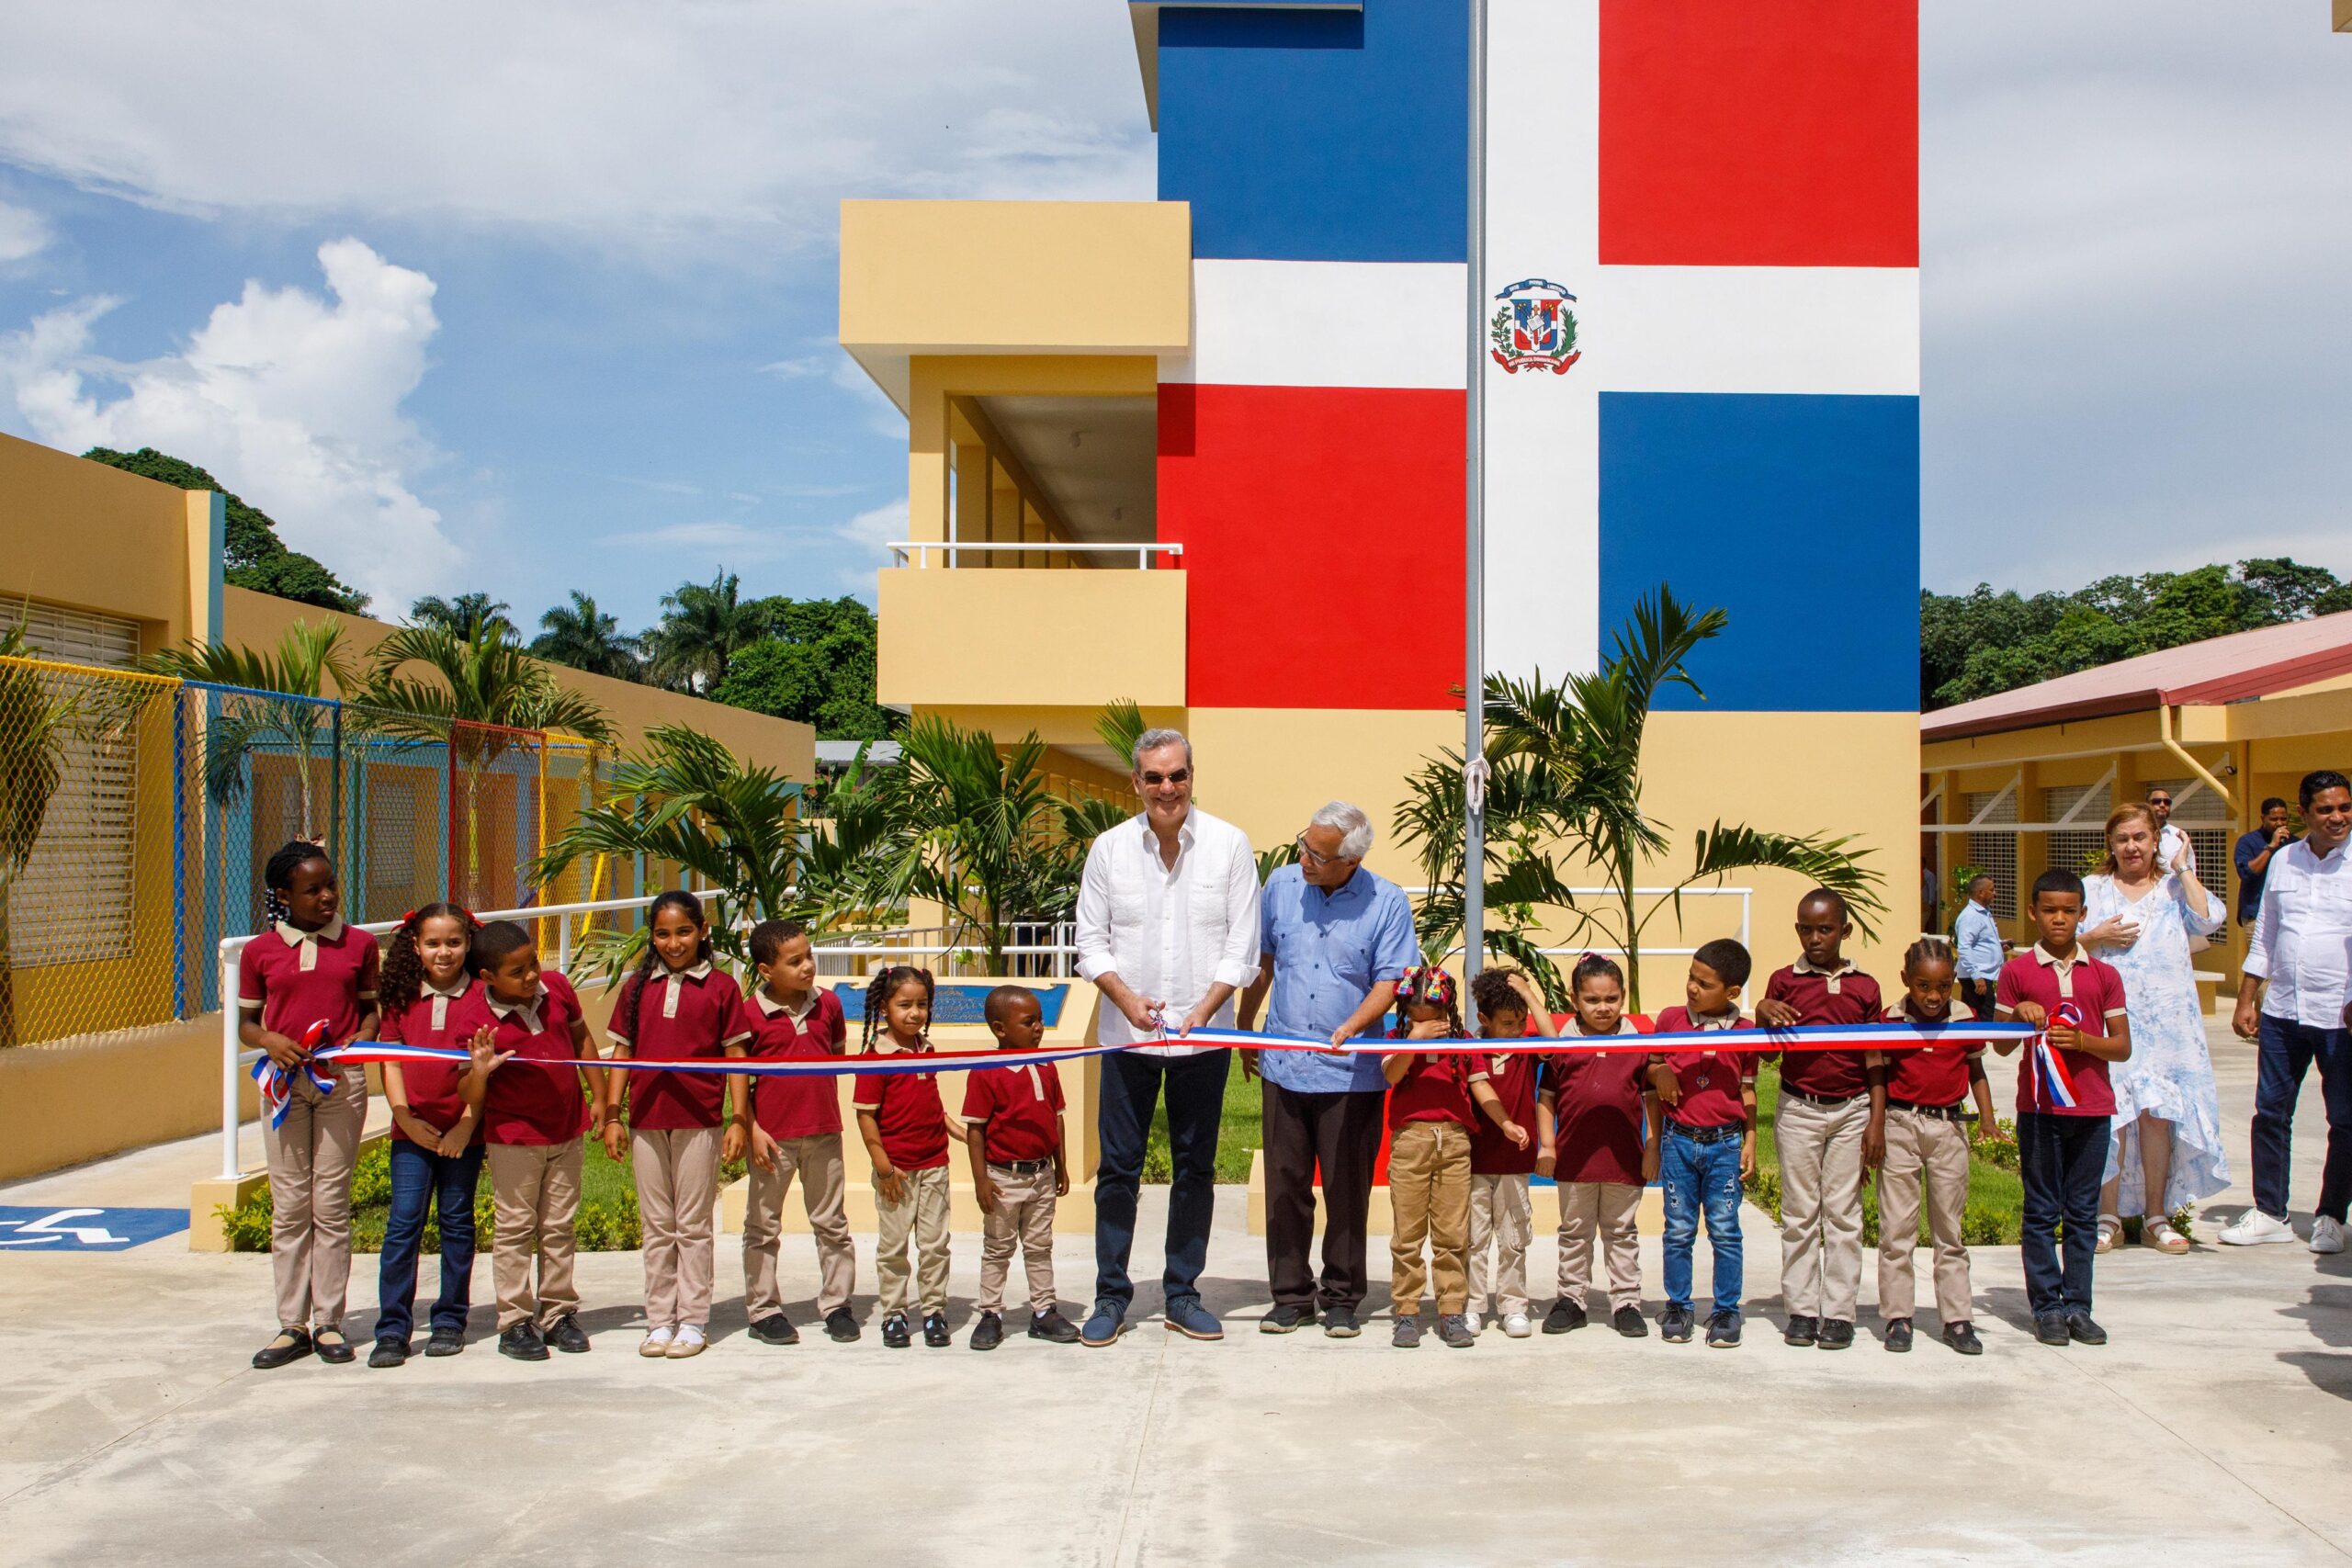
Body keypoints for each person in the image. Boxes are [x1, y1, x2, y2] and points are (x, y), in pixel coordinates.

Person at [1072, 727, 1259, 1348]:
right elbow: (1091, 942)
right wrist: (1126, 1000)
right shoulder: (1109, 850)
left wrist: (1206, 1008)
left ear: (1191, 776)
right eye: (1153, 777)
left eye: (1176, 775)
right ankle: (1111, 1295)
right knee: (1118, 1171)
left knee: (1195, 1169)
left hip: (1203, 1040)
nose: (1166, 788)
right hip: (1127, 1040)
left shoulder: (1230, 846)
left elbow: (1243, 947)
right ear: (1136, 782)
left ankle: (1182, 1291)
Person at [1238, 801, 1421, 1339]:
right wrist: (1247, 1029)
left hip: (1350, 1074)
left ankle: (1341, 1297)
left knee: (1346, 1189)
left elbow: (1391, 982)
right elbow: (1264, 961)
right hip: (1284, 1065)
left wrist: (1350, 1027)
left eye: (1316, 854)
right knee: (1285, 1185)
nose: (1303, 859)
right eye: (1303, 845)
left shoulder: (1386, 902)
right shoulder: (1281, 886)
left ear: (1350, 861)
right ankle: (1290, 1297)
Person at [240, 841, 379, 1371]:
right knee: (291, 1203)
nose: (326, 897)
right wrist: (270, 1041)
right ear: (284, 896)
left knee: (330, 1200)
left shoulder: (359, 945)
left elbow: (370, 1013)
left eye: (330, 885)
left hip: (339, 1082)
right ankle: (291, 1324)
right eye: (312, 889)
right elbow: (247, 1023)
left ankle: (329, 1322)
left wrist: (360, 1041)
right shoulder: (259, 952)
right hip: (283, 1085)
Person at [603, 890, 750, 1360]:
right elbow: (622, 1053)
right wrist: (612, 1113)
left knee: (692, 1224)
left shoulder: (722, 986)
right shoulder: (636, 986)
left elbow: (736, 1057)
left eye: (684, 931)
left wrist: (739, 1119)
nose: (673, 942)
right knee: (657, 1225)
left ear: (703, 931)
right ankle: (659, 1320)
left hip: (700, 1120)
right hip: (647, 1121)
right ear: (651, 936)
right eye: (662, 934)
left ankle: (693, 1320)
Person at [2080, 804, 2228, 1255]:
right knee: (2113, 1117)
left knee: (2157, 1116)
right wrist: (2096, 935)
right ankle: (2108, 1217)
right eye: (2123, 838)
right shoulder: (2094, 888)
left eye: (2140, 837)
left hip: (2168, 1024)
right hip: (2112, 1018)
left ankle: (2156, 1216)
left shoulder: (2172, 888)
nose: (2132, 847)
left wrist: (2183, 868)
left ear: (2155, 840)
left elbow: (2208, 921)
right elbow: (2063, 941)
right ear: (2111, 843)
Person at [1994, 869, 2132, 1347]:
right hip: (2040, 1111)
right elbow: (2000, 1046)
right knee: (2040, 1211)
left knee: (2082, 1213)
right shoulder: (2016, 972)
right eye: (2049, 910)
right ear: (2033, 912)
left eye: (2068, 911)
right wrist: (2018, 1016)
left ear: (2082, 915)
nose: (2059, 919)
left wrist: (2084, 1040)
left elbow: (2121, 1047)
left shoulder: (2105, 975)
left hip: (2092, 1110)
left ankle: (2079, 1305)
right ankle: (2047, 1306)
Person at [458, 919, 606, 1362]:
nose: (531, 976)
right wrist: (480, 1070)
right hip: (515, 1139)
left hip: (566, 1129)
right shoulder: (474, 1018)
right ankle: (515, 1321)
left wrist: (598, 1096)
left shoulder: (557, 989)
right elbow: (467, 1091)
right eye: (517, 971)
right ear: (488, 978)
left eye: (533, 964)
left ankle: (558, 1312)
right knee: (516, 1228)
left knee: (559, 1225)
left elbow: (581, 1038)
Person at [2223, 770, 2352, 1252]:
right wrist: (2246, 997)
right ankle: (2271, 1212)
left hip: (2341, 1015)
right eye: (2326, 809)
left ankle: (2331, 1216)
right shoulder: (2283, 862)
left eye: (2344, 807)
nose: (2337, 817)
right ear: (2305, 813)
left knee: (2344, 1118)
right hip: (2283, 1011)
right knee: (2271, 1111)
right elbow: (2268, 934)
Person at [1754, 889, 1884, 1350]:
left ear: (1844, 931)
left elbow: (1874, 1055)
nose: (1815, 938)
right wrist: (1762, 1008)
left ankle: (1840, 1313)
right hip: (1798, 1108)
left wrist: (1876, 1119)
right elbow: (1762, 1025)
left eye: (1825, 929)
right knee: (1799, 1214)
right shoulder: (1783, 981)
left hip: (1851, 1111)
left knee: (1844, 1215)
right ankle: (1803, 1311)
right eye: (1806, 929)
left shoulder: (1865, 987)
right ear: (1797, 930)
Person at [371, 904, 493, 1368]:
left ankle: (449, 1320)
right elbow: (392, 1062)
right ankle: (393, 1329)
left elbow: (484, 1067)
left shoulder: (483, 995)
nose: (444, 953)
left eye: (454, 943)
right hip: (412, 1132)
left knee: (457, 1221)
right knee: (403, 1223)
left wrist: (467, 1122)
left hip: (464, 1131)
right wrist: (403, 1117)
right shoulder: (400, 996)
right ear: (416, 946)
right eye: (433, 943)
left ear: (469, 943)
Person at [1864, 938, 1999, 1356]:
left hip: (1947, 1127)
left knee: (1949, 1229)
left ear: (1954, 984)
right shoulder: (1890, 1020)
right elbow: (1879, 1078)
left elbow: (1976, 1068)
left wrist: (1988, 1119)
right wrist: (1877, 1125)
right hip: (1902, 1124)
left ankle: (1957, 1319)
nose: (1933, 996)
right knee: (1897, 1228)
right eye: (1923, 987)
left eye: (1943, 987)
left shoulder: (1965, 1019)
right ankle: (1898, 1318)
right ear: (1906, 981)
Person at [730, 919, 860, 1346]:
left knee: (832, 1223)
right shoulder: (749, 1014)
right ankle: (764, 1310)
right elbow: (739, 1083)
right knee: (763, 1227)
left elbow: (836, 1058)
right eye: (795, 961)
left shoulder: (829, 1006)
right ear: (766, 970)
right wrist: (753, 1129)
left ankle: (838, 1305)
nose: (808, 967)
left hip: (823, 1133)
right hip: (773, 1140)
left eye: (809, 957)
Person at [1381, 966, 1525, 1348]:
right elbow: (1392, 1076)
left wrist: (1506, 1123)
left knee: (1452, 1235)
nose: (1430, 1028)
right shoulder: (1398, 1038)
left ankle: (1452, 1310)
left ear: (1449, 1013)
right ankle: (1407, 1312)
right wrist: (1414, 1039)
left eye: (1435, 1021)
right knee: (1408, 1235)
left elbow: (1481, 1087)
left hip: (1455, 1144)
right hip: (1411, 1142)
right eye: (1418, 1020)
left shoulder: (1461, 1042)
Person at [1536, 953, 1657, 1340]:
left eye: (1611, 999)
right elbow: (1546, 1098)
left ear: (1623, 997)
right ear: (1575, 999)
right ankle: (1571, 1300)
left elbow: (1652, 1098)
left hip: (1624, 1160)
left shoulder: (1638, 1044)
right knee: (1574, 1232)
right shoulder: (1562, 1045)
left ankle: (1626, 1303)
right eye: (1592, 1000)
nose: (1602, 1008)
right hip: (1574, 1159)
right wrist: (1548, 1146)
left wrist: (1652, 1146)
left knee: (1622, 1232)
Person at [1646, 938, 1758, 1348]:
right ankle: (1678, 1305)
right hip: (1678, 1141)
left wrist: (1751, 1138)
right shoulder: (1671, 1020)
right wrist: (1660, 1073)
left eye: (1704, 983)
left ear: (1732, 992)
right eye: (1691, 978)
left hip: (1725, 1146)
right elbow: (1651, 1067)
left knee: (1725, 1230)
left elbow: (1747, 1090)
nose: (1693, 988)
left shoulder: (1746, 1033)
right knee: (1678, 1229)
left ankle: (1727, 1310)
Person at [961, 987, 1080, 1350]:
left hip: (1041, 1175)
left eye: (1040, 1020)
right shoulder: (987, 1071)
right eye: (1029, 1022)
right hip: (1002, 1179)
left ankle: (1044, 1311)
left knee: (1039, 1245)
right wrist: (981, 1179)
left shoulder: (1046, 1065)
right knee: (998, 1247)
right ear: (1000, 1029)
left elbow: (1056, 1119)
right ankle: (991, 1313)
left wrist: (1061, 1165)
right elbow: (975, 1130)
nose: (1039, 1028)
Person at [852, 964, 963, 1349]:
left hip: (935, 1164)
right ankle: (894, 1314)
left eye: (922, 1005)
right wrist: (883, 1167)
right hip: (895, 1170)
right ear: (885, 1008)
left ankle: (934, 1311)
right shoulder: (875, 1057)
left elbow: (932, 1104)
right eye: (905, 1005)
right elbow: (866, 1116)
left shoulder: (926, 1049)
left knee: (935, 1243)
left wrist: (961, 1132)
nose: (914, 1013)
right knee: (894, 1246)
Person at [1464, 967, 1545, 1337]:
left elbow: (1554, 1041)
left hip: (1515, 1164)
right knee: (1473, 1238)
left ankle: (1513, 1305)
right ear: (1484, 1019)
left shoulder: (1527, 1049)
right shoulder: (1470, 1047)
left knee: (1514, 1239)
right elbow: (1481, 1091)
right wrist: (1504, 1124)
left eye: (1521, 1021)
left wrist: (1529, 996)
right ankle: (1472, 1305)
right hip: (1475, 1163)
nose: (1517, 1029)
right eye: (1508, 1023)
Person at [2233, 798, 2294, 928]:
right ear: (2263, 818)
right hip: (2256, 915)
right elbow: (2247, 874)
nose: (2279, 823)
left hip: (2287, 915)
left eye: (2283, 819)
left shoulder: (2295, 843)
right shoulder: (2247, 842)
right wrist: (2271, 846)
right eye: (2274, 819)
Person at [1953, 874, 2005, 1020]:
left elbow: (1982, 941)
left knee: (1971, 1016)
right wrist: (1976, 976)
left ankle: (1971, 1042)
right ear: (1980, 892)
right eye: (1992, 889)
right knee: (1986, 1017)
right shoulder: (1971, 916)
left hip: (1982, 975)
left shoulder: (1983, 913)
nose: (1995, 893)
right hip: (1977, 975)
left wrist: (2001, 945)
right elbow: (1964, 947)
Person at [2146, 785, 2199, 878]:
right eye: (2156, 801)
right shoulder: (2136, 834)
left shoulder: (2179, 836)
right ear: (2147, 805)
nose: (2162, 805)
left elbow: (2191, 870)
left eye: (2167, 802)